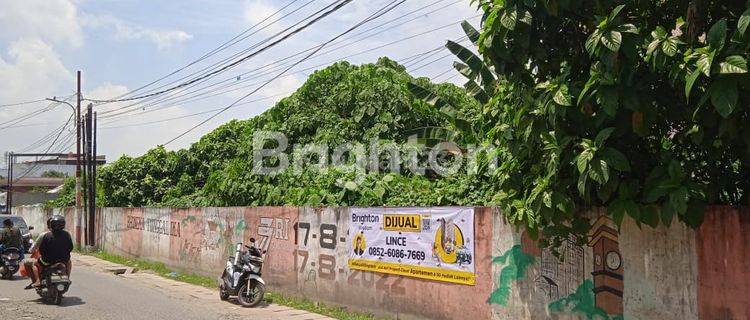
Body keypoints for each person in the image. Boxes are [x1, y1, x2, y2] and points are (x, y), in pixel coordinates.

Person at [29, 215, 73, 288]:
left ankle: (38, 281)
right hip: (63, 260)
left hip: (48, 261)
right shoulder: (66, 234)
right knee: (69, 262)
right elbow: (70, 247)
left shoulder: (47, 235)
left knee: (34, 264)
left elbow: (42, 250)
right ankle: (67, 277)